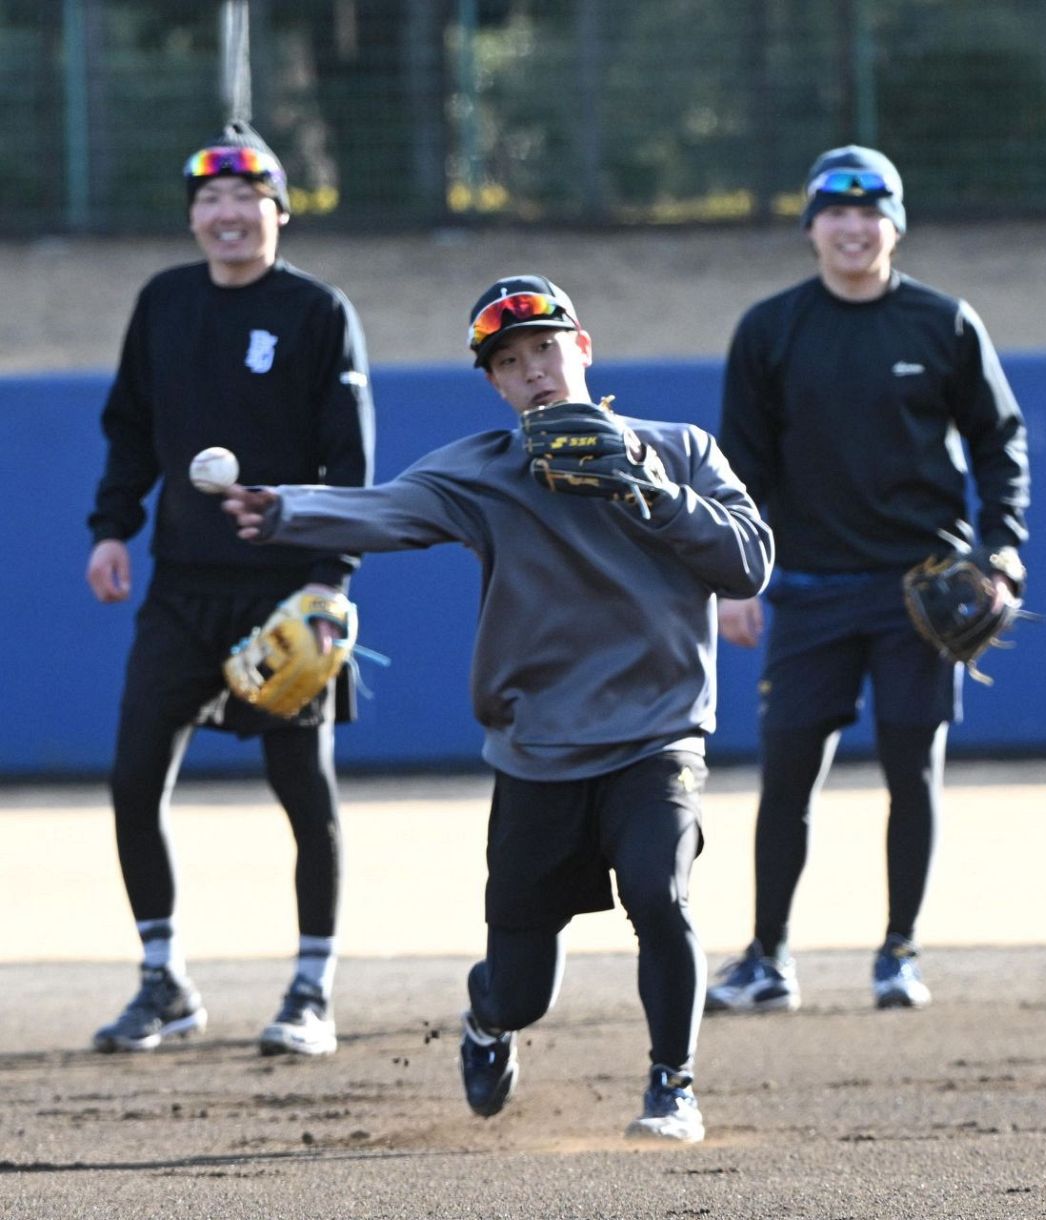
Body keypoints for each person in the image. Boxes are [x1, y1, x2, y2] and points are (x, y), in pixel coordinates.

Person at [221, 274, 774, 1141]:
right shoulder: (486, 470)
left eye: (545, 349)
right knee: (523, 989)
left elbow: (748, 562)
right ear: (494, 383)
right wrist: (285, 509)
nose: (533, 372)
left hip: (658, 738)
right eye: (509, 362)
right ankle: (486, 1023)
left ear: (581, 348)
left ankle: (673, 1086)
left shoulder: (680, 448)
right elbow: (389, 511)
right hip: (537, 751)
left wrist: (648, 488)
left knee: (660, 897)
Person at [704, 145, 1029, 1015]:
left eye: (871, 209)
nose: (854, 226)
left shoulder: (943, 323)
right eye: (836, 211)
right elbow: (741, 467)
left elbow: (1002, 442)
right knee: (786, 777)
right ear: (811, 227)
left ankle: (898, 953)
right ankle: (768, 958)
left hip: (920, 592)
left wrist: (1001, 550)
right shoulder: (771, 329)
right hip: (809, 586)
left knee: (911, 770)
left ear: (894, 225)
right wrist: (736, 580)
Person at [85, 119, 375, 1057]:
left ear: (279, 212)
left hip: (284, 592)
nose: (227, 214)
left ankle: (311, 989)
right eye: (209, 199)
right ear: (194, 217)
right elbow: (130, 428)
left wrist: (330, 583)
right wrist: (110, 530)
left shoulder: (317, 311)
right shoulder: (164, 303)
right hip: (181, 587)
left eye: (247, 197)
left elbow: (350, 461)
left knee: (304, 791)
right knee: (134, 779)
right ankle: (162, 978)